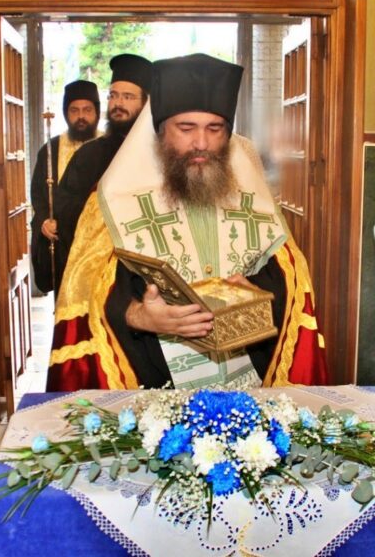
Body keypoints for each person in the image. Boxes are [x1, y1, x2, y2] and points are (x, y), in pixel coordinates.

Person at [47, 54, 328, 391]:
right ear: (160, 131)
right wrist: (136, 315)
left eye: (215, 129)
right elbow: (86, 289)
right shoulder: (114, 200)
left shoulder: (253, 196)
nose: (202, 143)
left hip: (249, 382)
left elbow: (290, 278)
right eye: (186, 128)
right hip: (152, 383)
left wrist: (261, 295)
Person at [52, 54, 152, 287]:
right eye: (113, 96)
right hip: (95, 273)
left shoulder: (161, 154)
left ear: (146, 103)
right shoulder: (89, 155)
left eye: (128, 97)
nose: (118, 104)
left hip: (147, 273)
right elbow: (64, 208)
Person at [31, 79, 101, 295]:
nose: (81, 116)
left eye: (87, 110)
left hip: (102, 242)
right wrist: (44, 220)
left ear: (97, 112)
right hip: (65, 243)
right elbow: (38, 194)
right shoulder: (51, 150)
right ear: (65, 113)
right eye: (74, 110)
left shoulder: (110, 146)